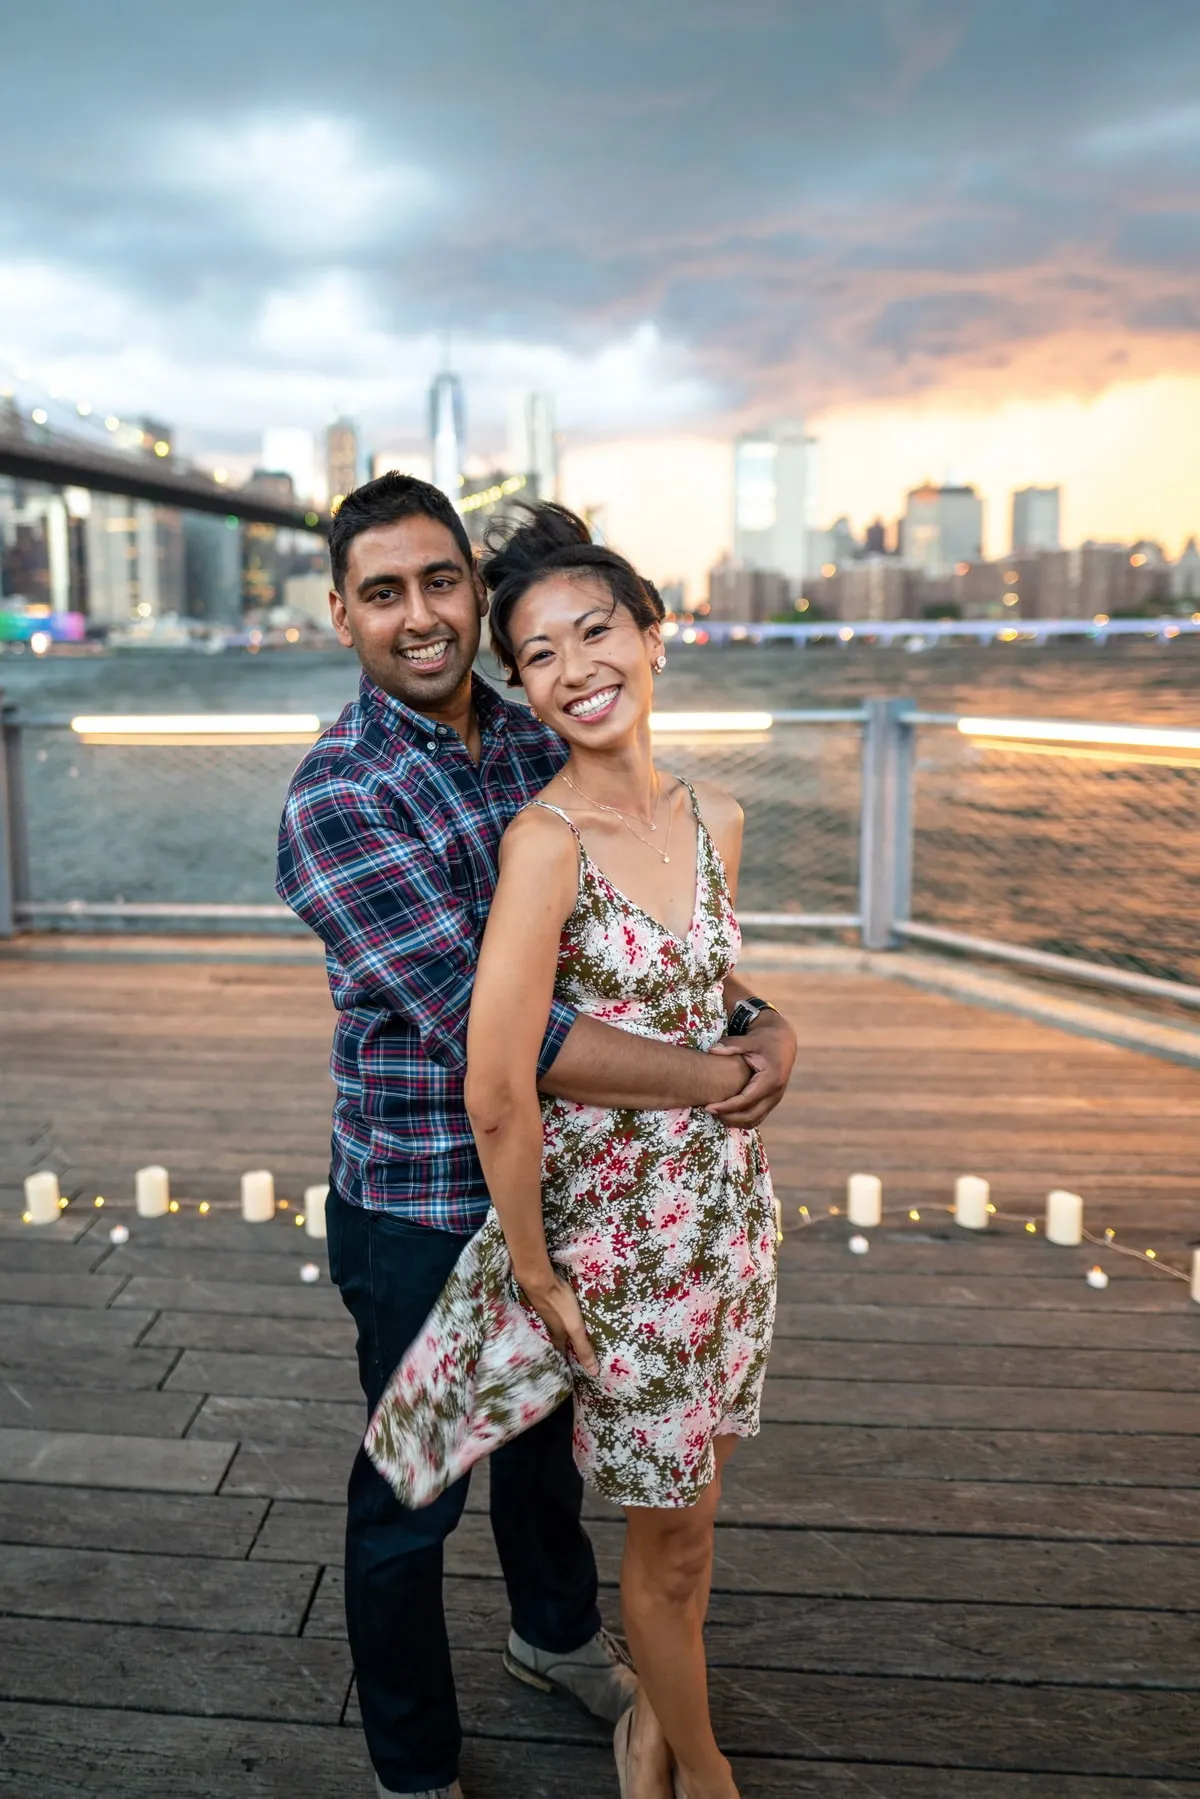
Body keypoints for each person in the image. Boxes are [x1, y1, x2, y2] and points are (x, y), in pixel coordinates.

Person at [275, 474, 797, 1799]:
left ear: (475, 590)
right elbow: (504, 1044)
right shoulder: (337, 800)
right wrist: (718, 1071)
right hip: (422, 1197)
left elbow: (641, 955)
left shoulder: (529, 735)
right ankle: (412, 1764)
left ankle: (554, 1634)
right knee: (414, 1486)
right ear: (342, 615)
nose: (420, 615)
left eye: (440, 581)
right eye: (382, 592)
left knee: (549, 1458)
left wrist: (759, 1015)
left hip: (582, 1188)